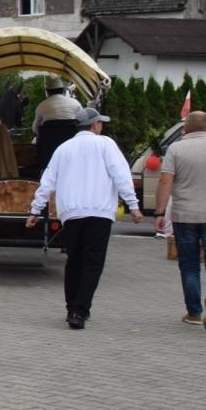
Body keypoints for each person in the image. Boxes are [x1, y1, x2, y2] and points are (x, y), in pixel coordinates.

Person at [27, 106, 142, 329]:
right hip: (99, 211)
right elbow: (121, 176)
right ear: (95, 125)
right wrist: (133, 205)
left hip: (71, 212)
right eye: (100, 123)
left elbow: (48, 181)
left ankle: (72, 307)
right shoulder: (106, 144)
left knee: (75, 260)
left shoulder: (64, 148)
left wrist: (35, 210)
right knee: (93, 262)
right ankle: (80, 309)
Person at [152, 111, 206, 331]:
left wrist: (160, 213)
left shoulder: (176, 149)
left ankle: (194, 313)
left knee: (189, 265)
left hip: (184, 215)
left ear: (185, 129)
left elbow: (165, 181)